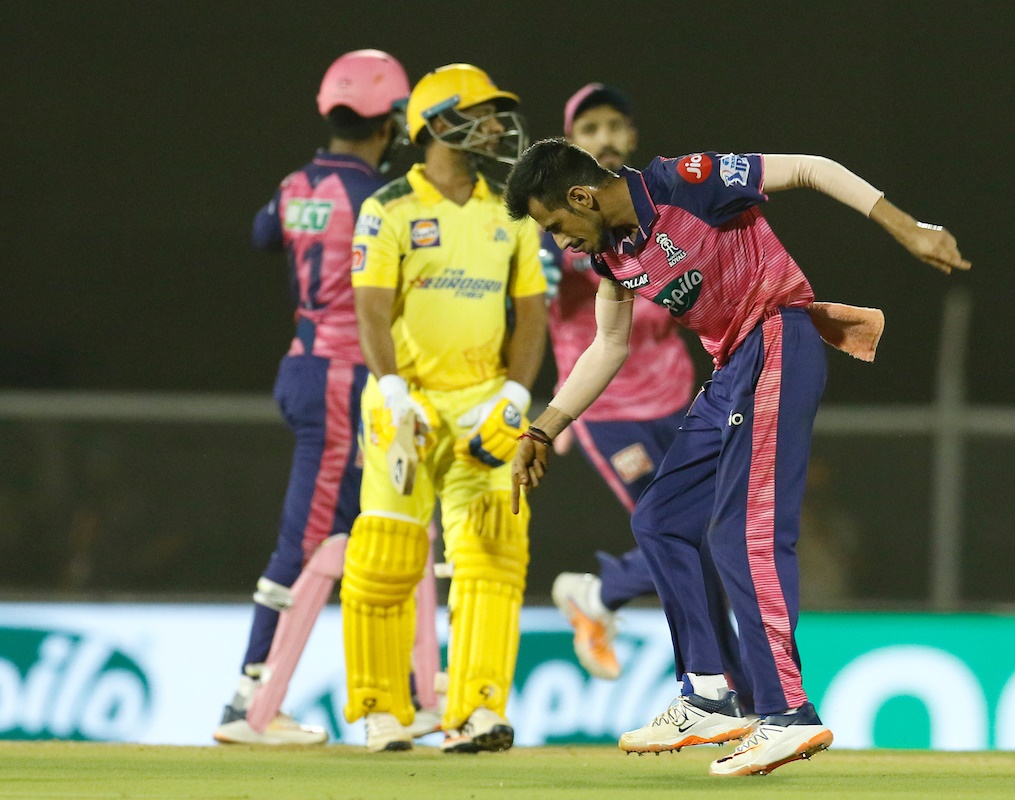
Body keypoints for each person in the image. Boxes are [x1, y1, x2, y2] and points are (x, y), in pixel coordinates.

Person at [504, 139, 969, 776]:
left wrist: (906, 225)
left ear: (582, 196)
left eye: (557, 224)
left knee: (741, 536)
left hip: (776, 337)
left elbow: (812, 168)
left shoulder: (684, 181)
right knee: (659, 520)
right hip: (732, 370)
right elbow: (606, 349)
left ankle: (787, 713)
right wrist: (542, 429)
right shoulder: (612, 254)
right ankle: (712, 692)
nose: (561, 242)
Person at [341, 63, 547, 754]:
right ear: (436, 125)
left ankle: (477, 711)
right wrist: (393, 391)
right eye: (481, 114)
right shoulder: (390, 207)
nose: (496, 127)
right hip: (408, 399)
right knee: (386, 557)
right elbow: (369, 310)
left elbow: (531, 315)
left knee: (494, 554)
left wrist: (517, 395)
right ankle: (381, 710)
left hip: (484, 401)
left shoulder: (511, 209)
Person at [214, 49, 410, 746]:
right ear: (390, 123)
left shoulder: (296, 183)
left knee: (363, 533)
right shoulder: (381, 200)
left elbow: (264, 234)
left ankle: (401, 698)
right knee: (305, 541)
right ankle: (246, 703)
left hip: (310, 368)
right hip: (340, 380)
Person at [541, 84, 744, 692]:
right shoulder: (562, 231)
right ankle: (717, 686)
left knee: (707, 533)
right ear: (571, 146)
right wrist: (555, 408)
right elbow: (537, 297)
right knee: (681, 534)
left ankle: (598, 595)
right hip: (611, 413)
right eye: (589, 129)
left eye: (614, 126)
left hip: (680, 400)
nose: (603, 138)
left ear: (631, 137)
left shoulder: (659, 207)